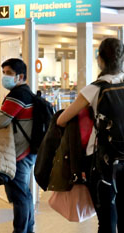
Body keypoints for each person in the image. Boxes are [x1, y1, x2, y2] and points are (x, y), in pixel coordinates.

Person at [57, 38, 124, 233]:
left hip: (104, 164)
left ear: (100, 59)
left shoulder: (95, 88)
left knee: (107, 222)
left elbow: (62, 120)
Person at [0, 58, 36, 233]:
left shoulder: (18, 95)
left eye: (9, 73)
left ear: (20, 76)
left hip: (19, 154)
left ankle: (20, 230)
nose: (5, 77)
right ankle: (28, 228)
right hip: (28, 150)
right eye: (3, 73)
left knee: (20, 196)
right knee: (25, 194)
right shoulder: (27, 93)